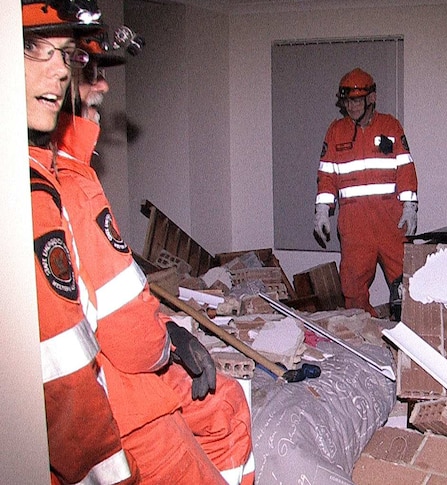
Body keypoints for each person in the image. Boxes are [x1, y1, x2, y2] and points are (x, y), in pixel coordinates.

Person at [50, 25, 255, 485]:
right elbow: (127, 333)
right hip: (116, 406)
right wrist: (169, 343)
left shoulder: (67, 171)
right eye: (89, 69)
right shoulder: (67, 184)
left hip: (120, 375)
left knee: (226, 404)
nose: (102, 84)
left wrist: (172, 335)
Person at [21, 1, 140, 483]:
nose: (60, 73)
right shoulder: (33, 189)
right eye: (35, 50)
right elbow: (64, 363)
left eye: (65, 56)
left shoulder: (53, 171)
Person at [314, 67, 419, 317]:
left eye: (357, 100)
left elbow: (406, 168)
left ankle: (409, 336)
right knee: (352, 286)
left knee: (406, 284)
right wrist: (321, 210)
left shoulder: (390, 126)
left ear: (371, 98)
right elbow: (327, 175)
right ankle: (363, 337)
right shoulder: (335, 131)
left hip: (390, 220)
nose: (352, 107)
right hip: (354, 224)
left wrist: (410, 206)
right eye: (348, 101)